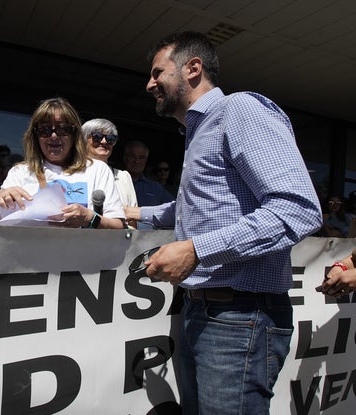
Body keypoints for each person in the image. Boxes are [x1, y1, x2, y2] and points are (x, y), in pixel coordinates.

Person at [139, 31, 322, 414]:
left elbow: (297, 208)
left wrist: (195, 250)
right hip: (203, 314)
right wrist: (125, 217)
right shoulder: (198, 131)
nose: (149, 84)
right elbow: (193, 209)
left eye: (158, 73)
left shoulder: (238, 110)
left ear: (192, 68)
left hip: (240, 319)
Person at [0, 97, 125, 229]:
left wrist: (89, 218)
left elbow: (119, 227)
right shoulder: (20, 172)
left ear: (75, 135)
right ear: (35, 136)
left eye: (63, 129)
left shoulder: (97, 169)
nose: (54, 136)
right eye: (45, 130)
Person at [81, 118, 138, 208]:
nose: (104, 142)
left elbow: (132, 215)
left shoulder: (123, 176)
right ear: (84, 140)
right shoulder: (73, 172)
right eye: (97, 136)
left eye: (110, 139)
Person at [123, 140, 173, 229]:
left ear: (146, 160)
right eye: (132, 156)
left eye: (141, 157)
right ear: (125, 158)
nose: (136, 161)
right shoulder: (113, 182)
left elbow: (174, 212)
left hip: (150, 238)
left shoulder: (157, 188)